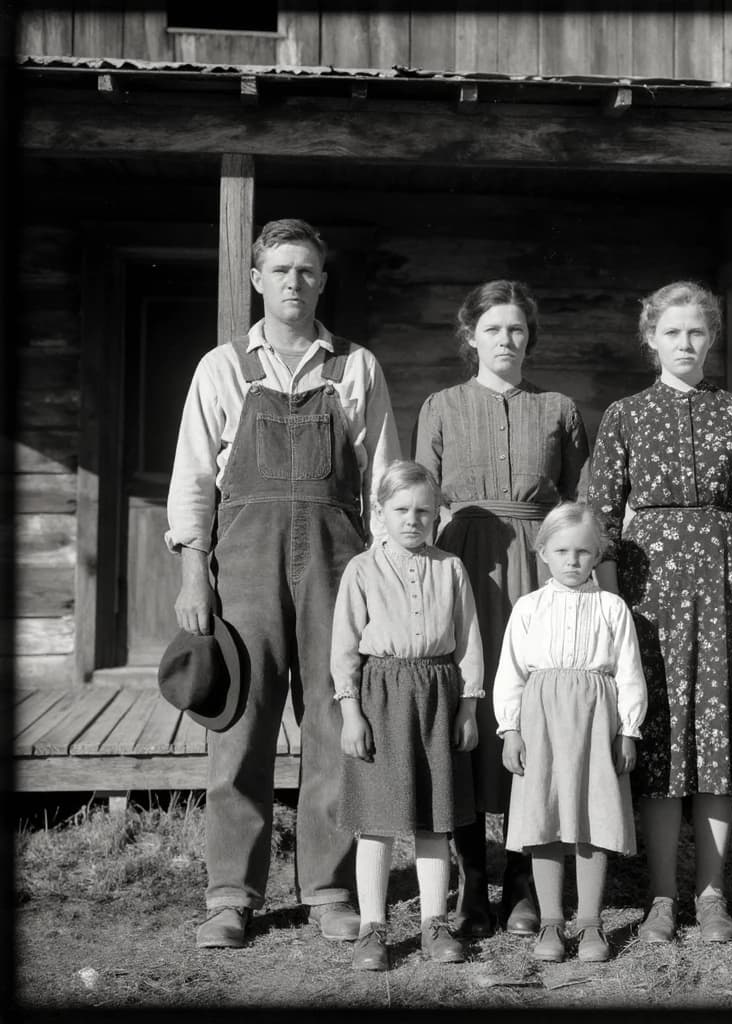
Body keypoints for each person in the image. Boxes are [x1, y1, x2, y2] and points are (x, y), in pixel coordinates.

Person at [166, 218, 401, 949]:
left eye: (306, 270)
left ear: (322, 280)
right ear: (256, 280)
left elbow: (386, 484)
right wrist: (192, 576)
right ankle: (231, 896)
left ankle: (330, 890)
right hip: (244, 562)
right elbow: (194, 481)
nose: (294, 282)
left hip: (337, 560)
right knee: (242, 722)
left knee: (335, 719)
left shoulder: (356, 367)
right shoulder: (223, 367)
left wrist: (386, 579)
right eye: (280, 270)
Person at [587, 280, 732, 945]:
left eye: (696, 331)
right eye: (672, 332)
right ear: (651, 338)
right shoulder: (625, 414)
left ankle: (713, 894)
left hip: (729, 582)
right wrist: (613, 594)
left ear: (712, 337)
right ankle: (663, 896)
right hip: (651, 592)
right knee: (665, 740)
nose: (685, 343)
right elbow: (602, 517)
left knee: (717, 736)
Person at [414, 280, 591, 938]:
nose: (506, 340)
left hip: (536, 571)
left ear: (529, 339)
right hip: (465, 565)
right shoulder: (440, 406)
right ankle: (469, 881)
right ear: (471, 338)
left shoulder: (558, 408)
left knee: (532, 710)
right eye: (493, 330)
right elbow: (421, 499)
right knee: (467, 707)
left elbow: (577, 505)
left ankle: (522, 874)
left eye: (516, 330)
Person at [330, 460, 484, 971]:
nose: (412, 520)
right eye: (401, 510)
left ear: (436, 515)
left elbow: (469, 645)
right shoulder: (362, 570)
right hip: (381, 694)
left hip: (438, 694)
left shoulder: (451, 568)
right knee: (376, 821)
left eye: (423, 511)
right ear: (380, 513)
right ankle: (374, 928)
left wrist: (468, 705)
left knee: (434, 819)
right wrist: (351, 712)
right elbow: (345, 648)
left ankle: (434, 924)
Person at [493, 502, 647, 964]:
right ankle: (551, 922)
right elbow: (511, 673)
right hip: (541, 721)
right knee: (544, 817)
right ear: (543, 552)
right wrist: (511, 729)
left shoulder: (611, 607)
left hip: (598, 720)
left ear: (597, 554)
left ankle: (591, 923)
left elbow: (629, 672)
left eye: (583, 551)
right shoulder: (528, 608)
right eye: (562, 550)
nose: (573, 560)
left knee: (592, 819)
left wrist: (629, 730)